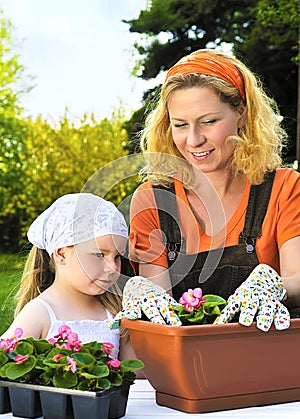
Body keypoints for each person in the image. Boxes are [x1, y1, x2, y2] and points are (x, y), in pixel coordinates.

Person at [123, 48, 300, 329]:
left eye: (209, 122)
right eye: (180, 125)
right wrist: (144, 291)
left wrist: (276, 284)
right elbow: (161, 320)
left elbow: (297, 278)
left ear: (241, 113)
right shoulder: (152, 200)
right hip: (187, 361)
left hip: (270, 356)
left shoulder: (284, 187)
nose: (193, 140)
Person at [1, 193, 138, 360]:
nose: (113, 268)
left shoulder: (115, 311)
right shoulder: (39, 314)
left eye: (117, 257)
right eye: (99, 255)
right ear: (61, 254)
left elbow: (136, 373)